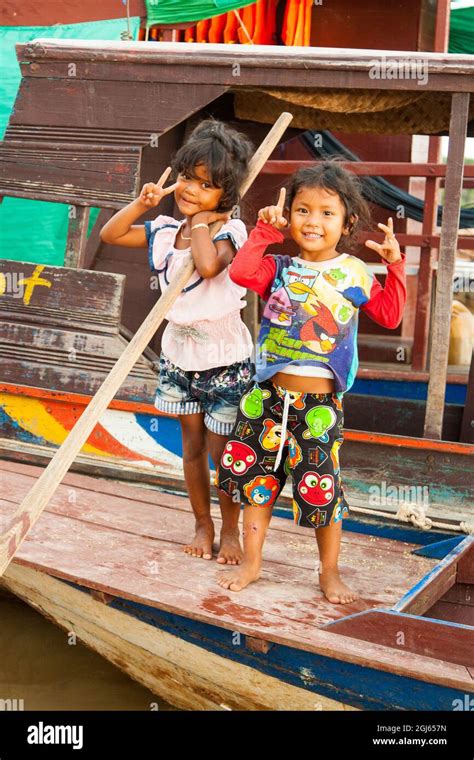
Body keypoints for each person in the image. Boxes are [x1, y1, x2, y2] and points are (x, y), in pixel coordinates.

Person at [216, 161, 407, 603]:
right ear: (290, 215)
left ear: (347, 223)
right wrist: (264, 232)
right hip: (265, 398)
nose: (313, 221)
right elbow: (243, 274)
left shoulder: (355, 273)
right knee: (256, 482)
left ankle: (329, 571)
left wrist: (394, 267)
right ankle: (252, 561)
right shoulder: (279, 266)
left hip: (318, 407)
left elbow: (390, 315)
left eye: (326, 213)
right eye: (303, 210)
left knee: (321, 488)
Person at [100, 119, 255, 565]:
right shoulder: (167, 229)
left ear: (224, 196)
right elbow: (111, 235)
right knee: (191, 448)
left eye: (206, 186)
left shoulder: (230, 232)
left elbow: (208, 268)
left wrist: (205, 222)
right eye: (187, 177)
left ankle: (230, 531)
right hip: (179, 357)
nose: (190, 190)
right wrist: (141, 203)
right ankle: (202, 525)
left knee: (225, 454)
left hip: (224, 359)